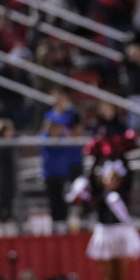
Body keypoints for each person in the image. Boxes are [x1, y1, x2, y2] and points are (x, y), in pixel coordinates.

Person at [67, 159, 140, 280]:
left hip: (120, 235)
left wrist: (119, 151)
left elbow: (130, 175)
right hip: (105, 235)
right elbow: (90, 181)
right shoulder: (100, 196)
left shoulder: (123, 195)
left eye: (115, 178)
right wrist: (95, 158)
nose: (111, 182)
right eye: (108, 178)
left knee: (122, 279)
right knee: (108, 279)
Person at [39, 88, 84, 232]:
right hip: (56, 163)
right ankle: (60, 222)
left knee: (74, 192)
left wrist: (63, 133)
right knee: (57, 195)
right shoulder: (49, 115)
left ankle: (76, 219)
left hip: (73, 159)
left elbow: (78, 135)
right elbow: (43, 134)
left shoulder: (73, 114)